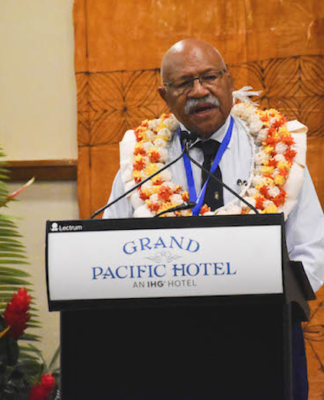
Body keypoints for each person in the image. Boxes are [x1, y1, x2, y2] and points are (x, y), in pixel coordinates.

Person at [103, 38, 324, 399]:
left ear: (230, 81)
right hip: (169, 338)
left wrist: (275, 302)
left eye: (209, 77)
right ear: (165, 96)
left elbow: (312, 247)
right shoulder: (141, 161)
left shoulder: (278, 150)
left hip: (265, 334)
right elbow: (115, 243)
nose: (199, 91)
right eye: (184, 83)